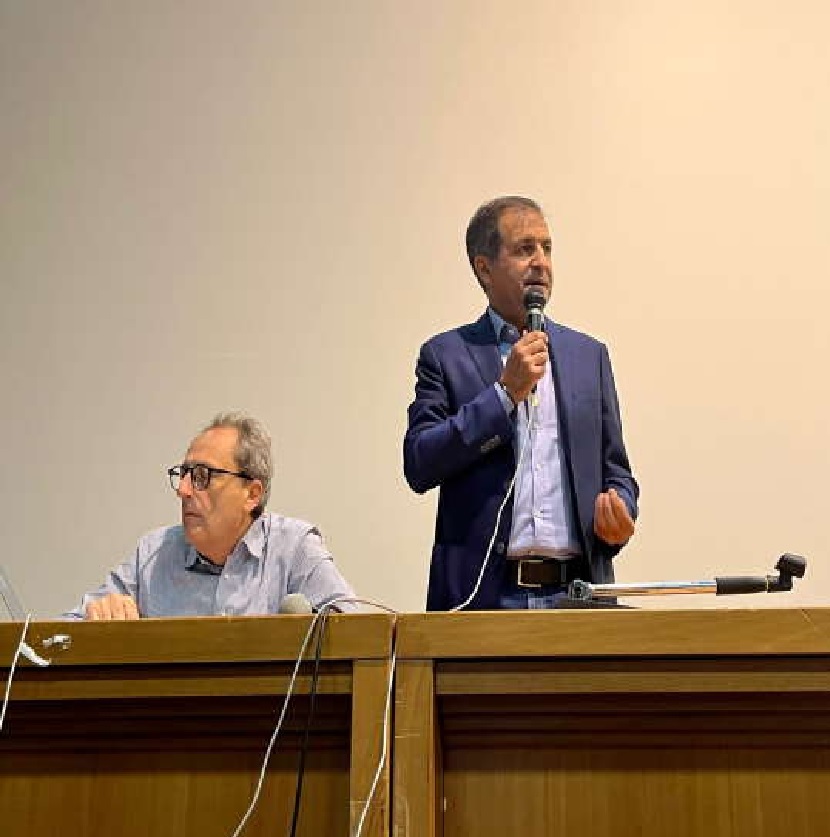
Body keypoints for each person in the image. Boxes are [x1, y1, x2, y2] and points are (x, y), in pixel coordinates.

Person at [404, 196, 639, 611]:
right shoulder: (445, 356)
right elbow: (420, 463)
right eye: (524, 249)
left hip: (576, 599)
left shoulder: (590, 357)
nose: (541, 263)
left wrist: (620, 510)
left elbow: (616, 471)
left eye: (547, 248)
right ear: (484, 268)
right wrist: (502, 396)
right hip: (484, 601)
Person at [65, 412, 355, 619]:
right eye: (183, 474)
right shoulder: (152, 555)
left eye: (202, 476)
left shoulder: (294, 549)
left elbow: (353, 631)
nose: (183, 490)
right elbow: (62, 635)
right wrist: (98, 614)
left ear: (252, 494)